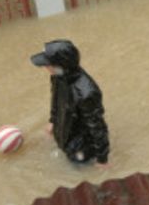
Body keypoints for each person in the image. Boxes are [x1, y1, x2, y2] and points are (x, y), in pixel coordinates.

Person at [31, 39, 110, 168]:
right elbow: (55, 98)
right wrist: (52, 121)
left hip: (81, 147)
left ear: (60, 65)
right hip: (63, 130)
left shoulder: (87, 93)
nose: (45, 66)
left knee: (78, 169)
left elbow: (98, 128)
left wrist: (102, 160)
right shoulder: (58, 75)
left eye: (47, 63)